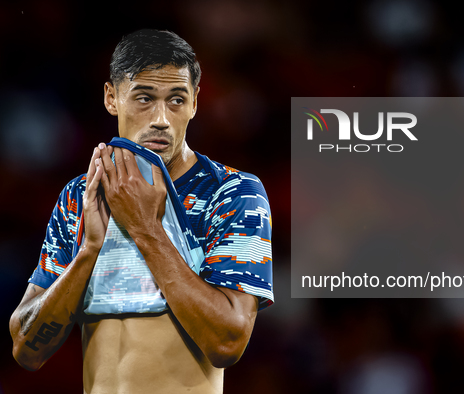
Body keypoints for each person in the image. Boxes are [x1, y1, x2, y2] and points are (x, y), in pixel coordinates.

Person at [9, 29, 273, 394]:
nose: (161, 119)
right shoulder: (79, 197)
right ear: (111, 97)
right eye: (145, 98)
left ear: (195, 103)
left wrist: (146, 229)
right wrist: (87, 252)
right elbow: (26, 349)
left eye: (177, 100)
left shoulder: (230, 193)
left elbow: (228, 343)